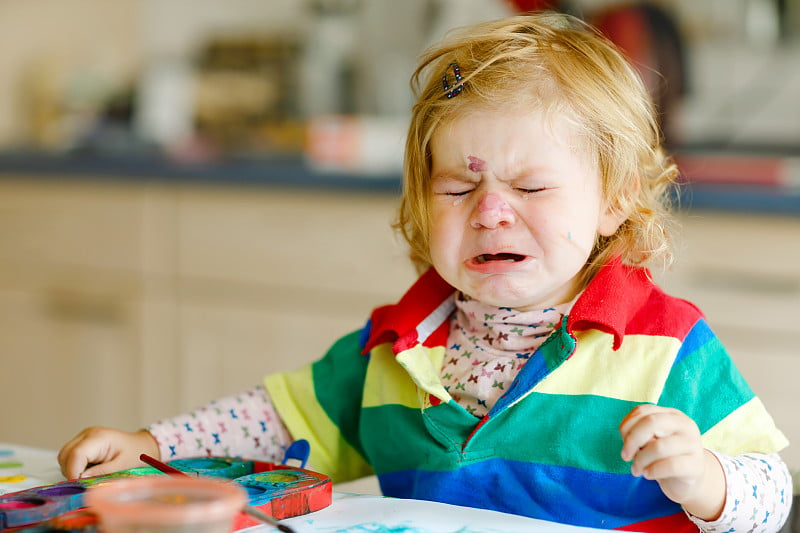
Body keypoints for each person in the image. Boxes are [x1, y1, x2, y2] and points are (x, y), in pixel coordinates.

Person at [58, 13, 791, 533]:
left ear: (615, 200)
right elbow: (270, 419)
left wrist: (707, 479)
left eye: (530, 188)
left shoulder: (667, 344)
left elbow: (775, 494)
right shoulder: (394, 350)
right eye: (457, 188)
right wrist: (153, 446)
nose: (492, 213)